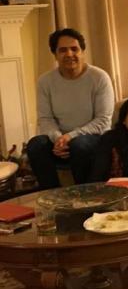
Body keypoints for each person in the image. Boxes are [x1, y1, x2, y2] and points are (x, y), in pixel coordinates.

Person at [27, 28, 115, 189]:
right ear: (55, 54)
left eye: (74, 49)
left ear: (82, 52)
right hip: (60, 142)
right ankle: (52, 194)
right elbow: (45, 119)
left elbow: (103, 120)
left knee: (79, 145)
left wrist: (70, 136)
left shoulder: (99, 77)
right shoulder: (45, 81)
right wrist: (58, 139)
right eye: (63, 50)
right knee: (35, 144)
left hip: (93, 139)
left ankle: (84, 195)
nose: (69, 54)